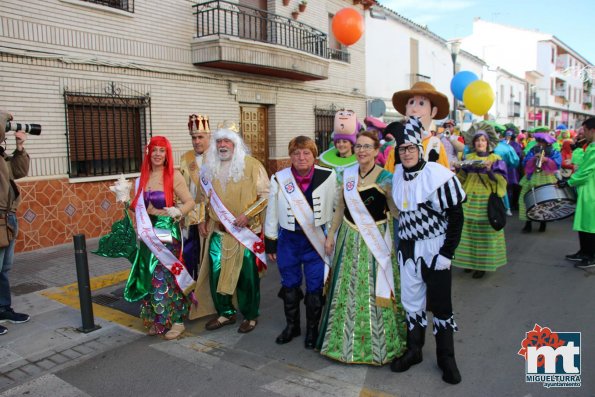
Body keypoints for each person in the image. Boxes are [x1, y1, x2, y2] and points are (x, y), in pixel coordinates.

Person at [318, 131, 406, 366]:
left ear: (377, 151)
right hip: (348, 237)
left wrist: (402, 239)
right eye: (359, 146)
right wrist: (331, 236)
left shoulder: (387, 177)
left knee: (375, 287)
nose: (362, 150)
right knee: (346, 289)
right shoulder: (346, 175)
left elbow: (396, 212)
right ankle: (341, 344)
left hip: (376, 238)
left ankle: (379, 345)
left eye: (367, 146)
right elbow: (339, 209)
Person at [389, 116, 465, 384]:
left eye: (410, 148)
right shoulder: (397, 174)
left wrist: (447, 253)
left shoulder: (438, 175)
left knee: (441, 305)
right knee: (411, 302)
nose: (406, 153)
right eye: (402, 149)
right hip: (408, 247)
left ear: (419, 149)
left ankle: (447, 359)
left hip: (435, 248)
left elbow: (456, 217)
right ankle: (414, 350)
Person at [189, 122, 270, 334]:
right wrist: (200, 220)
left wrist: (248, 214)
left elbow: (266, 196)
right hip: (218, 232)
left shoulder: (252, 165)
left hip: (245, 233)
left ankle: (251, 315)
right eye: (219, 141)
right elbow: (200, 199)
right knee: (217, 274)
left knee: (246, 277)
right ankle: (225, 313)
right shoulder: (208, 168)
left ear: (236, 143)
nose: (223, 145)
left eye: (227, 141)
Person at [264, 136, 337, 348]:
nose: (301, 157)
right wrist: (271, 242)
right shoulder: (279, 178)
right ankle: (292, 326)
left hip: (315, 240)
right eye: (296, 153)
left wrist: (332, 237)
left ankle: (312, 331)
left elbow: (334, 210)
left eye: (306, 153)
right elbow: (272, 212)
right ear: (290, 157)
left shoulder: (328, 175)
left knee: (315, 287)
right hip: (288, 240)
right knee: (289, 285)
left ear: (314, 155)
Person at [124, 136, 195, 340]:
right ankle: (159, 320)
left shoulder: (174, 176)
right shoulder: (142, 177)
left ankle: (178, 321)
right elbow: (139, 207)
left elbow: (190, 202)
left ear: (167, 154)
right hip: (148, 233)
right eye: (154, 150)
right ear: (149, 153)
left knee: (168, 276)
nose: (157, 154)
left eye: (161, 150)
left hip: (166, 234)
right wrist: (125, 200)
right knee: (150, 276)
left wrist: (178, 211)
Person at [452, 122, 508, 278]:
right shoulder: (467, 158)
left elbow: (501, 181)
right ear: (473, 143)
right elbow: (461, 179)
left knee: (484, 233)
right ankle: (468, 262)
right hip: (469, 198)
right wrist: (458, 169)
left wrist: (490, 171)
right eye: (477, 140)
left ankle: (481, 265)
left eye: (483, 140)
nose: (480, 143)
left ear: (488, 142)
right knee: (467, 232)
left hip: (486, 200)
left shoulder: (496, 159)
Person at [0, 111, 31, 336]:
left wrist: (20, 147)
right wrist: (5, 117)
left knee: (4, 268)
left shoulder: (1, 156)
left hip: (8, 218)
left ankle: (3, 308)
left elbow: (18, 171)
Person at [179, 114, 210, 279]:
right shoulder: (186, 158)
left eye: (200, 137)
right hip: (190, 215)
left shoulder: (217, 158)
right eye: (193, 137)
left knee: (207, 259)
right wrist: (181, 212)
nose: (196, 141)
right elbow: (180, 188)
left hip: (210, 217)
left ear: (208, 136)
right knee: (190, 257)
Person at [562, 117, 595, 268]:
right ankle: (584, 251)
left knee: (590, 225)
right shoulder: (590, 147)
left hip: (591, 192)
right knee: (583, 223)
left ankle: (591, 256)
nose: (583, 134)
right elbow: (581, 167)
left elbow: (586, 172)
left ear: (592, 131)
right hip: (586, 189)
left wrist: (568, 182)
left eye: (585, 131)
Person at [519, 133, 561, 233]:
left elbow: (558, 163)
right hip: (532, 176)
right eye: (538, 141)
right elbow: (525, 161)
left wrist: (546, 159)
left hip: (547, 177)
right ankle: (528, 223)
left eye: (542, 141)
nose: (539, 143)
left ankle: (543, 222)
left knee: (545, 200)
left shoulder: (554, 151)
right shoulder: (533, 150)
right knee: (527, 199)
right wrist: (533, 158)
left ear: (547, 142)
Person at [318, 109, 359, 176]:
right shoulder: (326, 162)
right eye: (338, 142)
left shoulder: (359, 161)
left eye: (345, 141)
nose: (341, 144)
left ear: (351, 144)